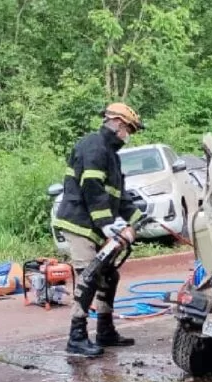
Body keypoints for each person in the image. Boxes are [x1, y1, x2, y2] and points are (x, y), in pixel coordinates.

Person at [52, 102, 145, 357]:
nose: (129, 136)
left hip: (93, 223)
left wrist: (138, 219)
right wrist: (108, 226)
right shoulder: (93, 145)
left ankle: (105, 331)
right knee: (89, 276)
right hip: (79, 222)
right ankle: (76, 337)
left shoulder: (111, 155)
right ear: (117, 123)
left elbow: (118, 196)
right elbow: (92, 188)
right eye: (129, 129)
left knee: (109, 277)